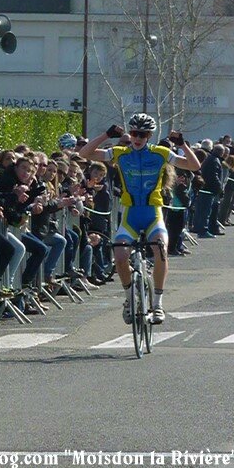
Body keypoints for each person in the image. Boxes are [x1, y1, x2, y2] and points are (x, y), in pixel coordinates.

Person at [79, 113, 200, 325]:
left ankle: (158, 303)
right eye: (134, 133)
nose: (137, 138)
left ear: (149, 135)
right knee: (120, 255)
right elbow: (84, 152)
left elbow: (194, 166)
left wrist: (182, 145)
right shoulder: (119, 153)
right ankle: (128, 299)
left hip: (153, 213)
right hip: (131, 215)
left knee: (161, 250)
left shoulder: (161, 153)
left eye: (142, 134)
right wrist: (107, 135)